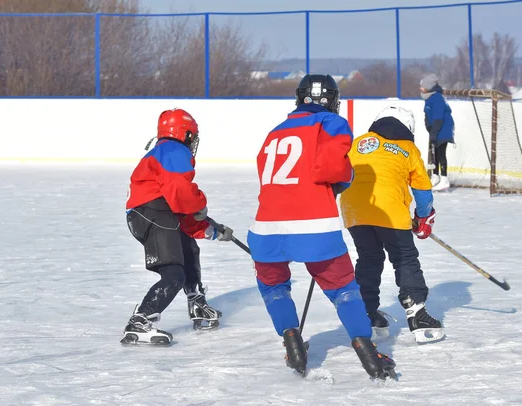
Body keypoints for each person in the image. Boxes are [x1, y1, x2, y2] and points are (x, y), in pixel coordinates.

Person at [247, 74, 396, 380]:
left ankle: (293, 343)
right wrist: (345, 180)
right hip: (314, 227)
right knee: (343, 288)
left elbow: (266, 174)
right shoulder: (331, 122)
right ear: (331, 100)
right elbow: (331, 169)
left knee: (273, 286)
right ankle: (368, 353)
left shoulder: (275, 131)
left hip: (267, 227)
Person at [122, 108, 233, 346]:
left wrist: (210, 228)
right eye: (192, 136)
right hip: (151, 214)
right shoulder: (173, 150)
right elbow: (181, 193)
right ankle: (140, 321)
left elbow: (180, 210)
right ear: (185, 134)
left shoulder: (164, 150)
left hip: (154, 214)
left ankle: (197, 303)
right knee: (174, 273)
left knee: (188, 248)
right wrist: (200, 203)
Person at [340, 105, 444, 344]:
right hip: (389, 212)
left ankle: (366, 312)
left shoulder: (358, 142)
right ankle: (417, 312)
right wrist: (423, 216)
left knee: (369, 258)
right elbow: (422, 189)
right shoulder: (408, 148)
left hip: (354, 210)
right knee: (404, 257)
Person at [420, 74, 455, 191]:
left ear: (429, 87)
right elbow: (427, 114)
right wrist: (428, 127)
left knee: (440, 153)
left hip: (443, 129)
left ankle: (444, 179)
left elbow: (438, 118)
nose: (420, 88)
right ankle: (435, 176)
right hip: (435, 129)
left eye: (423, 86)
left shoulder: (438, 99)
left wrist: (434, 133)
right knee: (434, 153)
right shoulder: (428, 98)